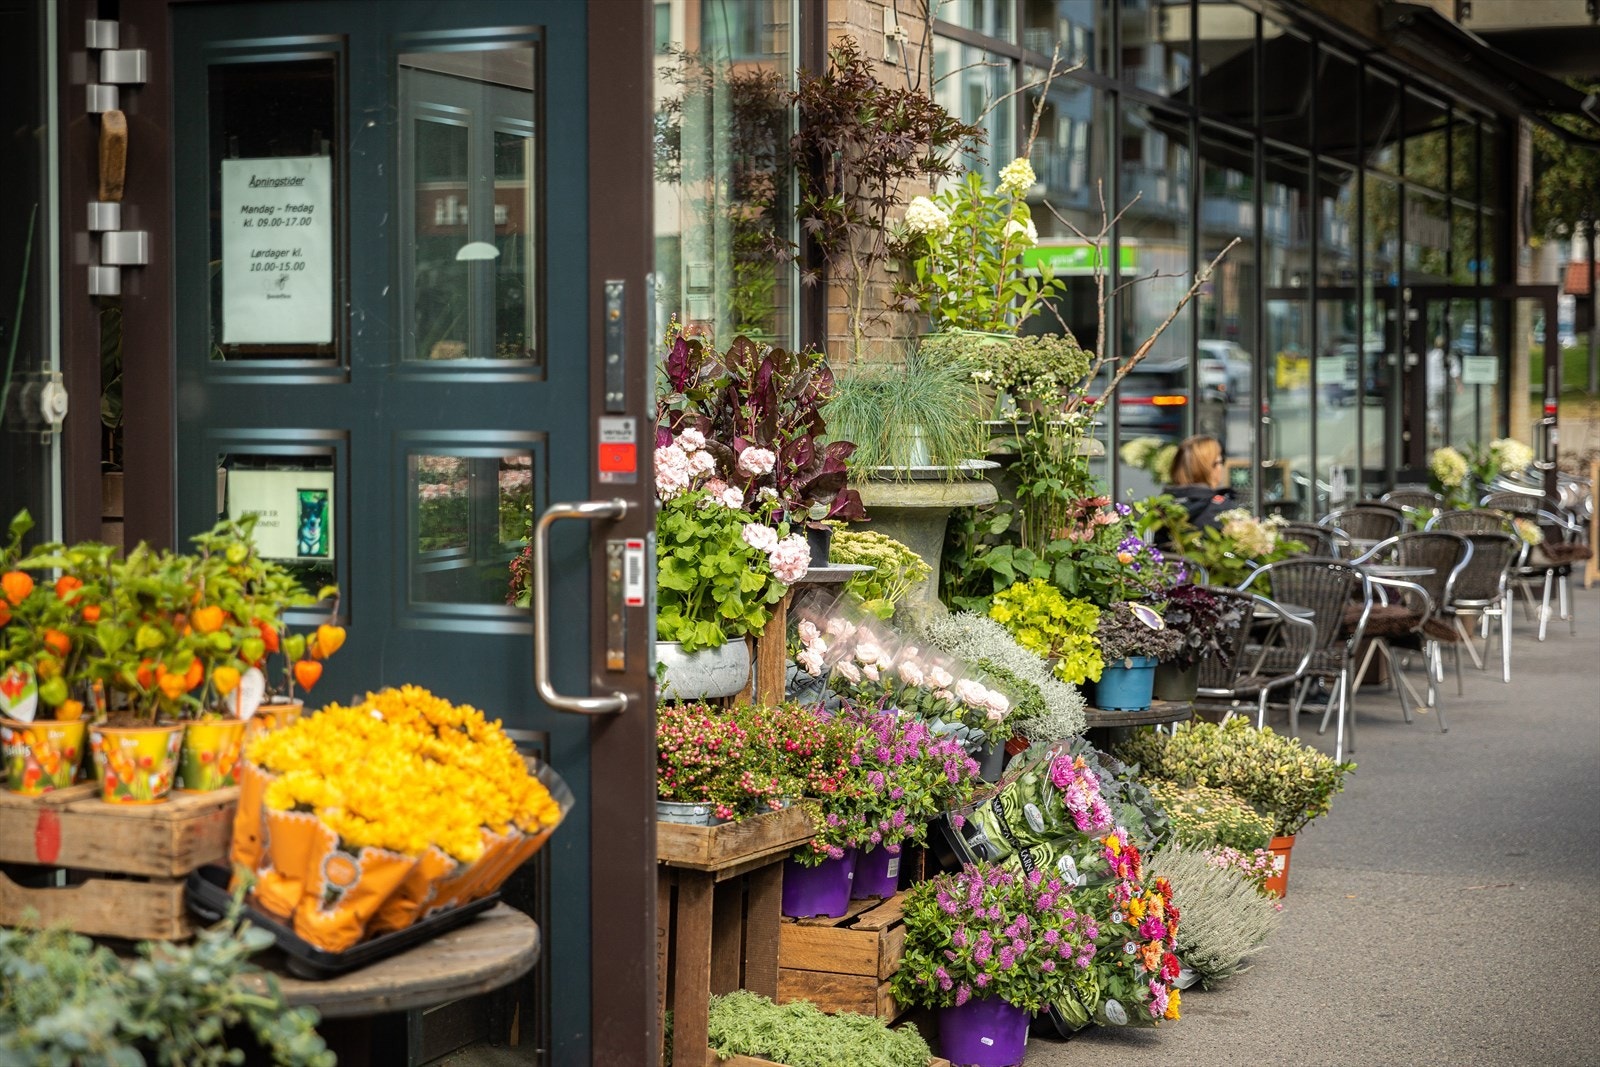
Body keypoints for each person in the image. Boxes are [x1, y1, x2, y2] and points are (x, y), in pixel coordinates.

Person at [1163, 434, 1237, 530]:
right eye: (1220, 461)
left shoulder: (1162, 509)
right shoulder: (1222, 511)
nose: (1221, 467)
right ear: (1209, 468)